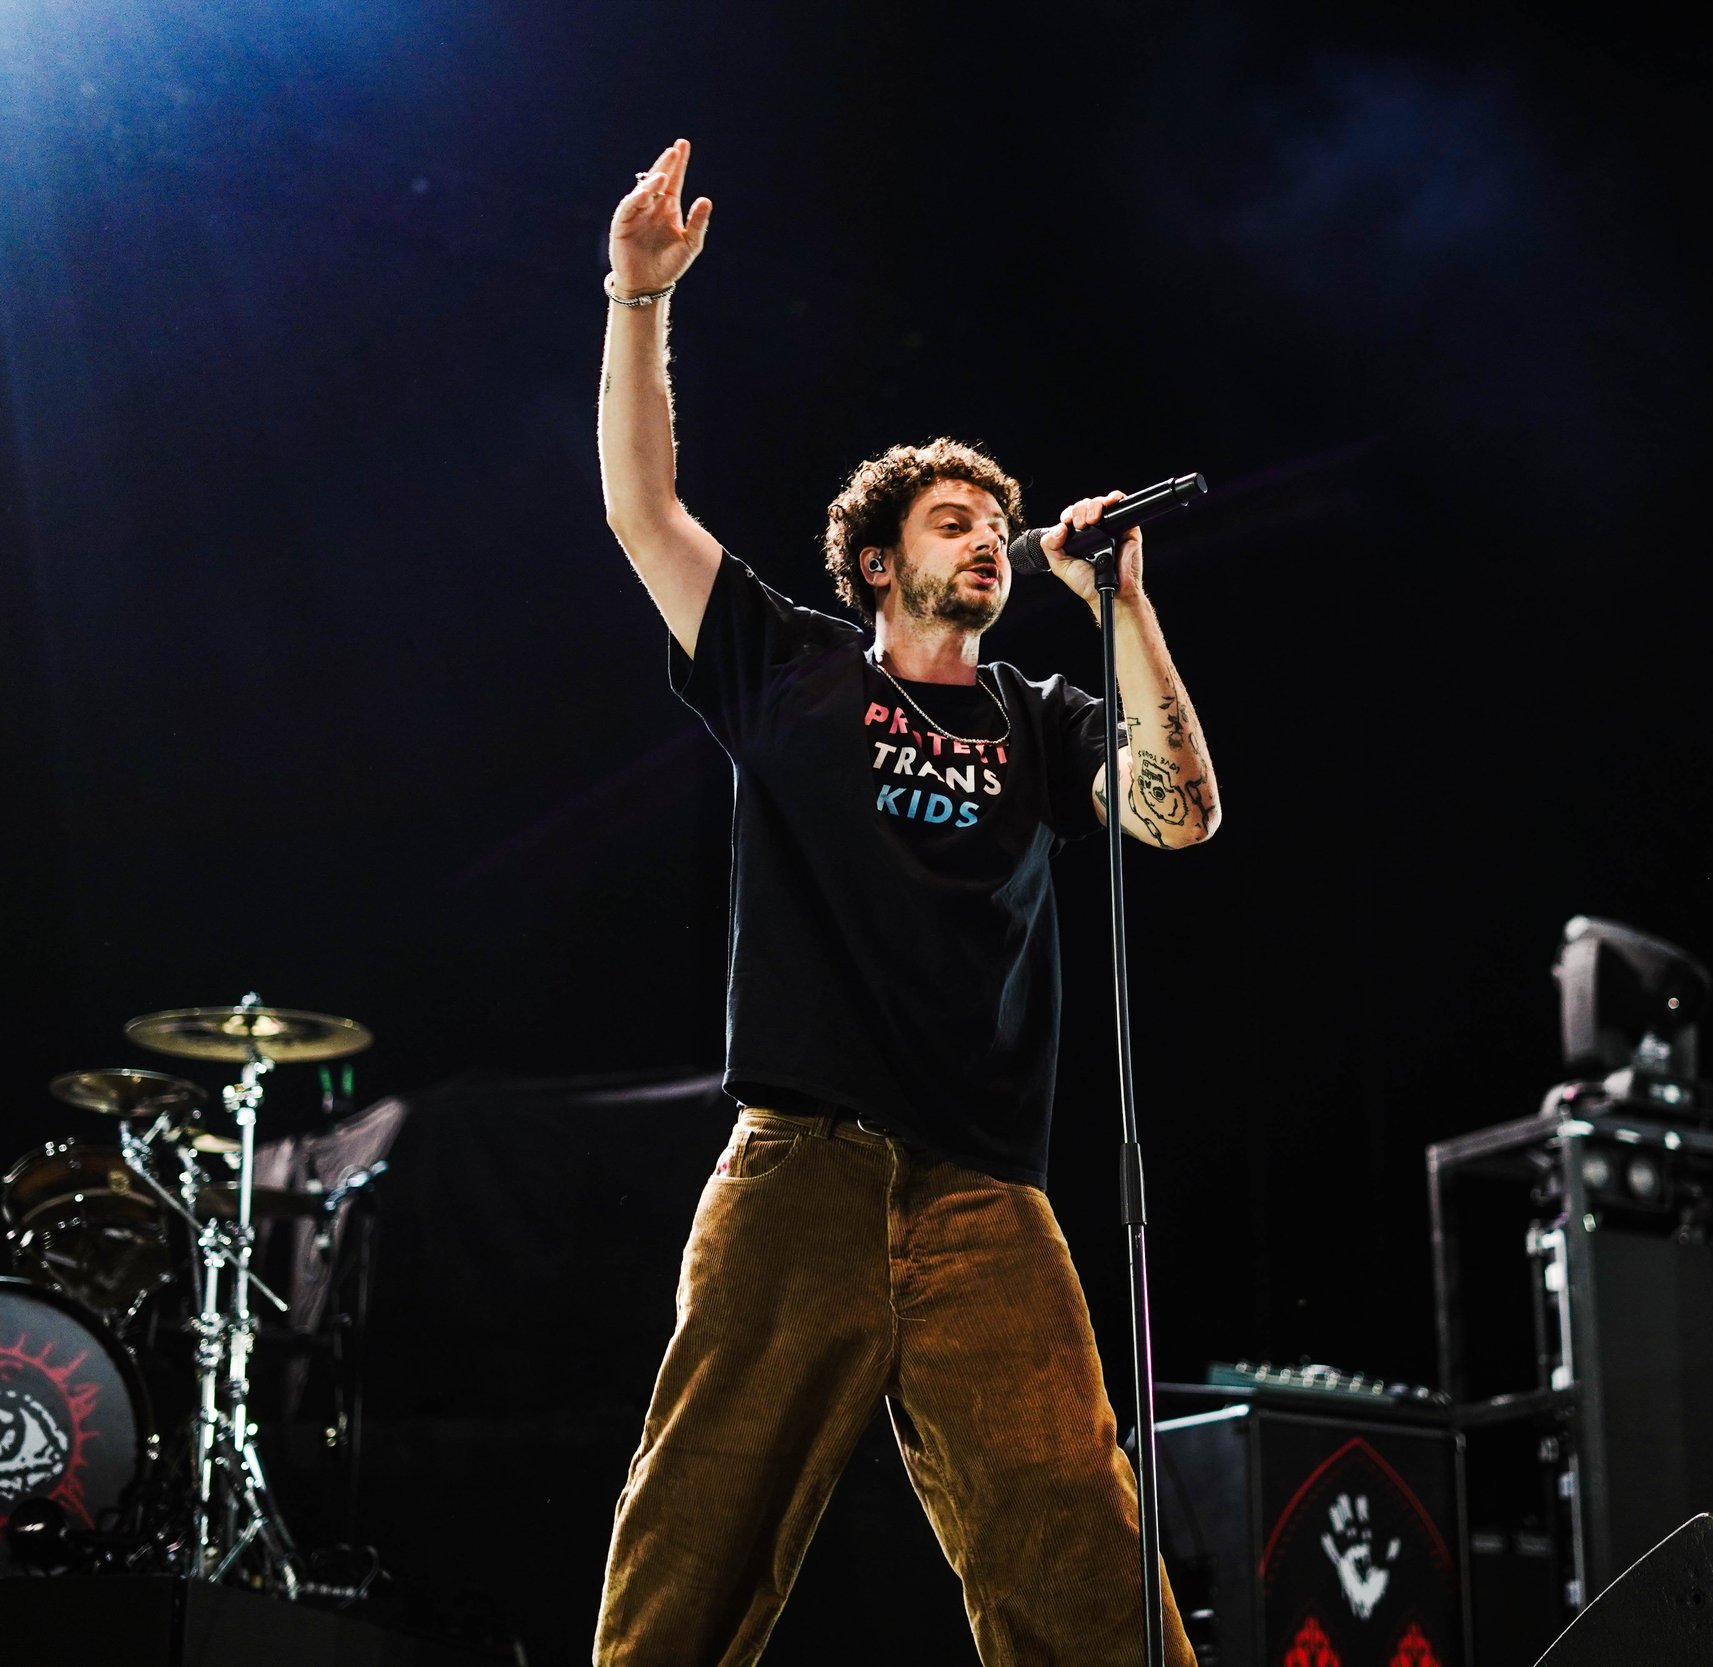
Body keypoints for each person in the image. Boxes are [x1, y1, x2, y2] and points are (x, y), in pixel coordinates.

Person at [592, 136, 1221, 1665]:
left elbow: (1179, 814)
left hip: (984, 1193)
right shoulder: (791, 667)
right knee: (698, 1538)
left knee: (1079, 1542)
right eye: (954, 523)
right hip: (798, 1169)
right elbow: (642, 510)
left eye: (997, 526)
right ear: (877, 561)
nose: (988, 539)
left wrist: (1121, 603)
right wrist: (635, 299)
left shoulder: (1043, 715)